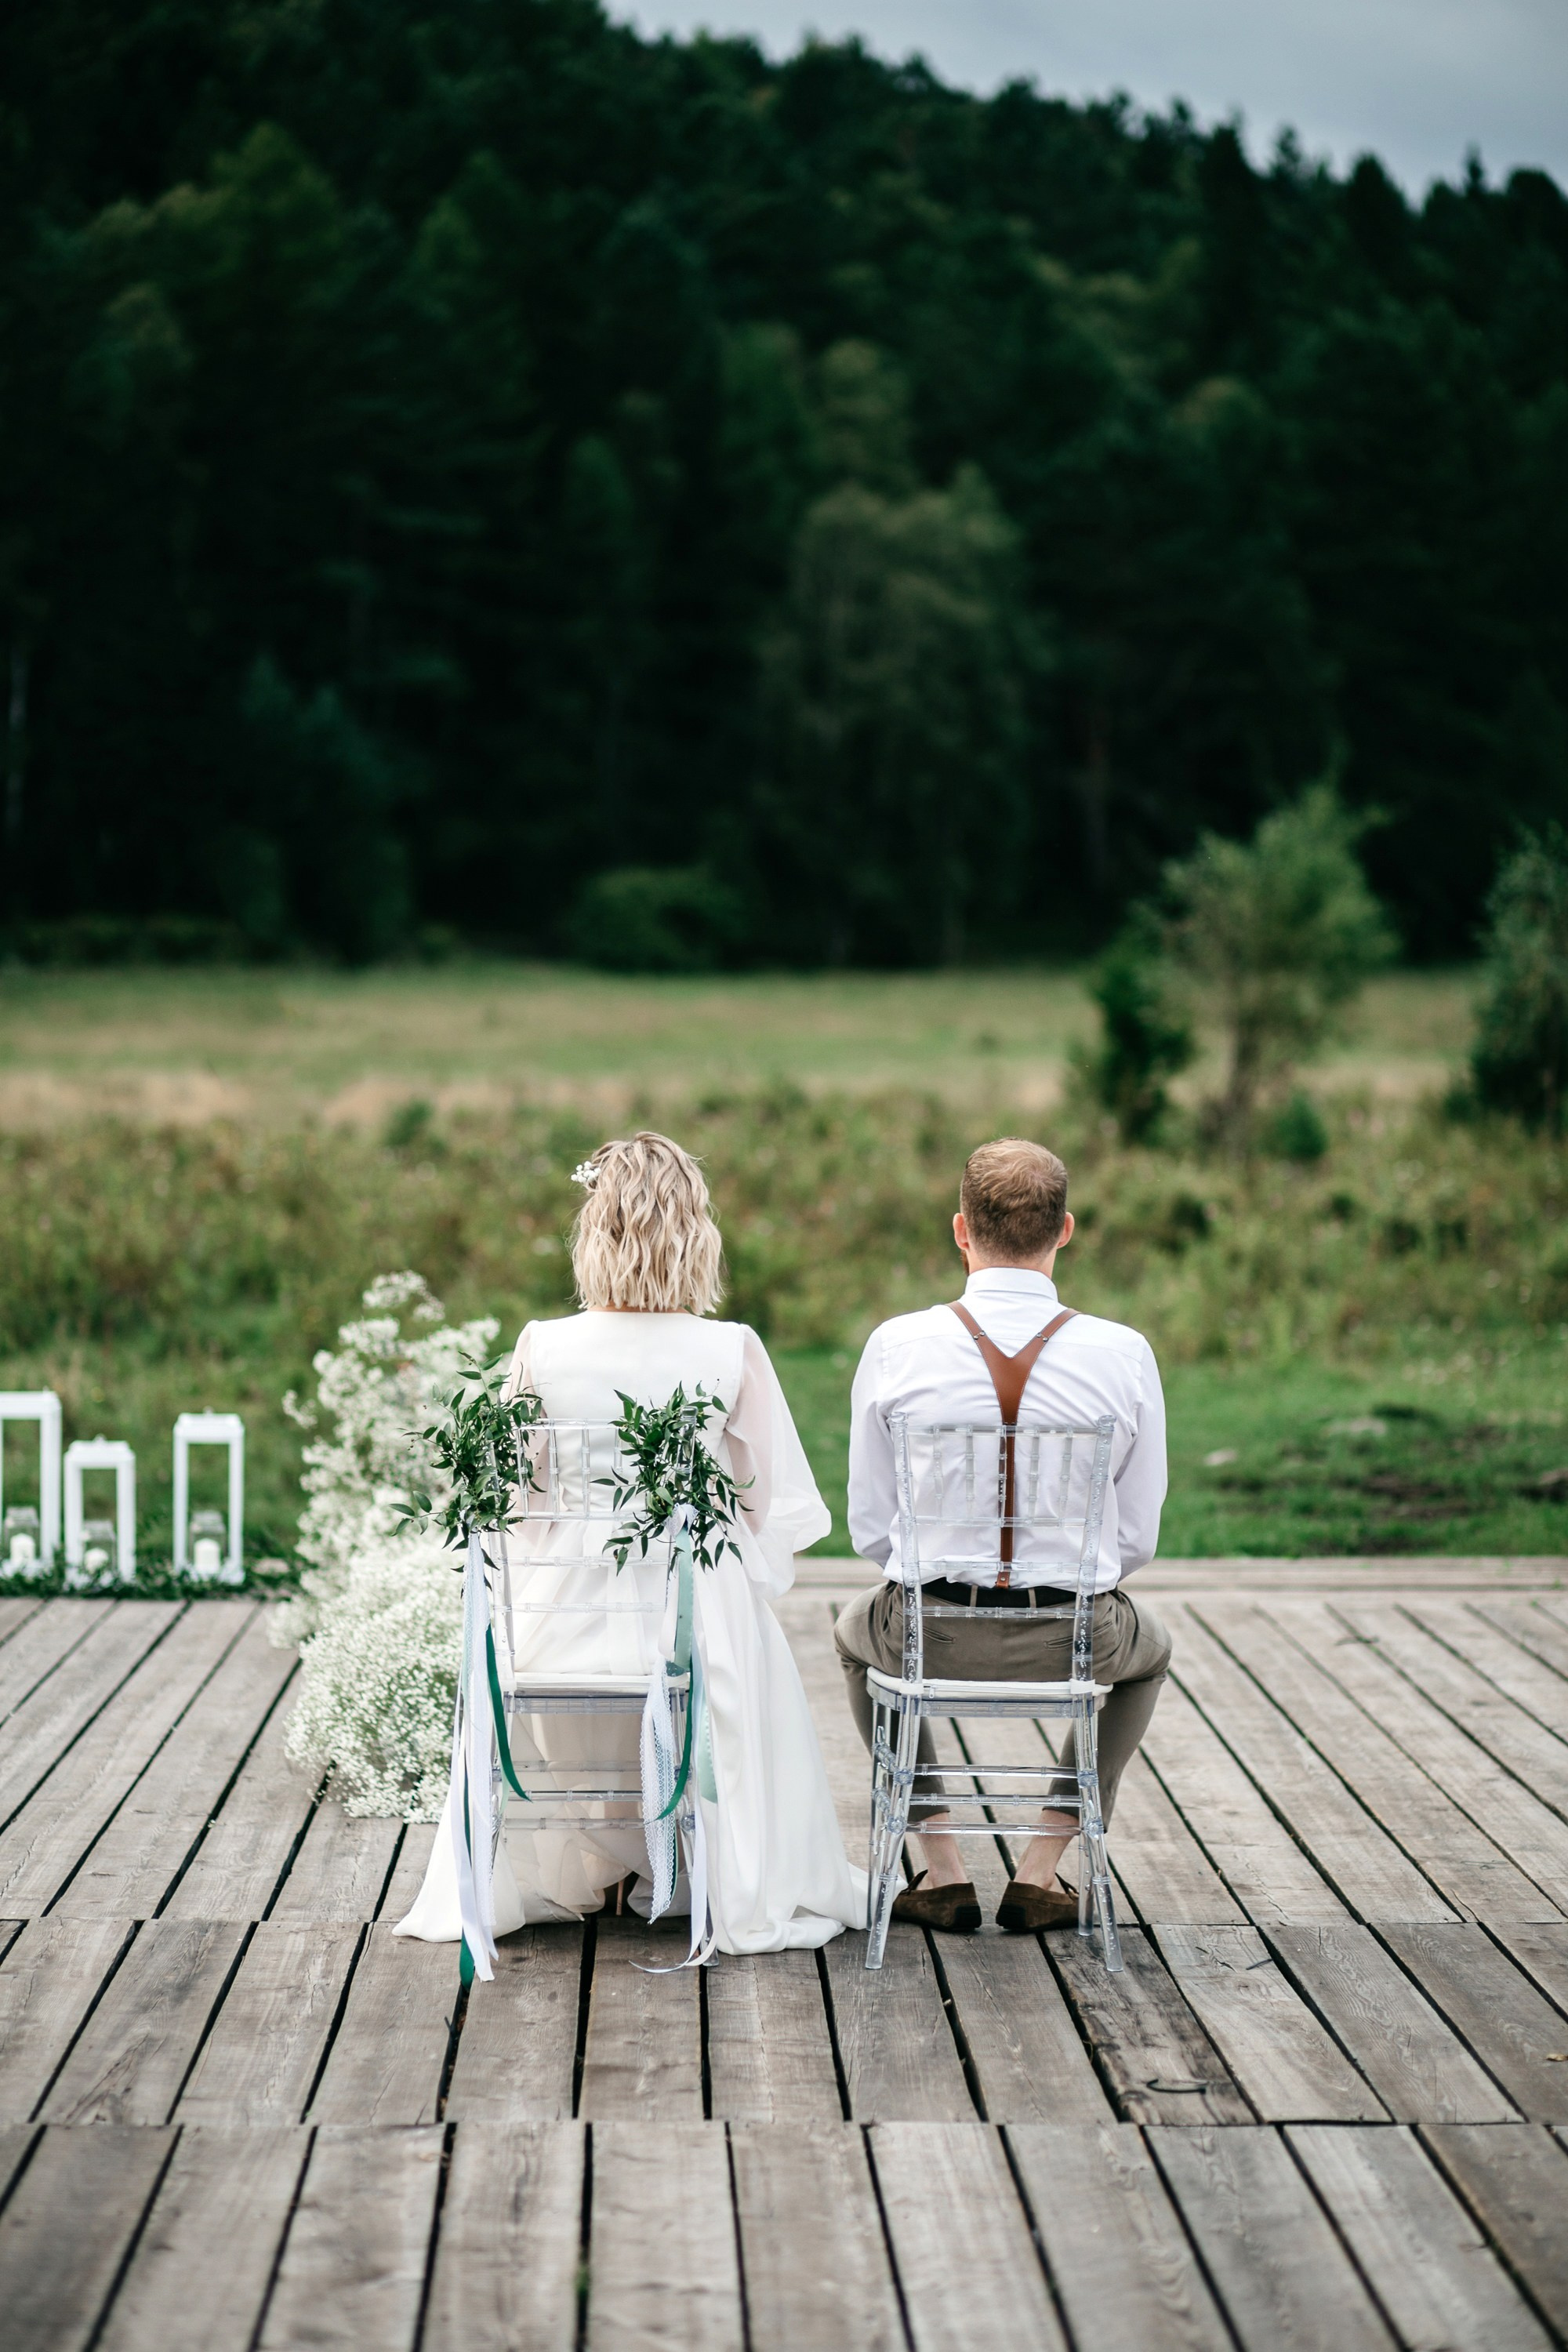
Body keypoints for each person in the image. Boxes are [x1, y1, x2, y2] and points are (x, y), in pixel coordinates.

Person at [395, 1131, 865, 1955]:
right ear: (695, 1232)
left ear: (595, 1232)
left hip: (562, 1612)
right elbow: (765, 1506)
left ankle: (613, 1861)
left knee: (570, 1620)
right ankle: (700, 1861)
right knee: (740, 1630)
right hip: (690, 1615)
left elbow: (518, 1498)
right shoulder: (731, 1350)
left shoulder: (544, 1344)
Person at [835, 1135, 1171, 1934]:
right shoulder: (1122, 1354)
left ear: (960, 1230)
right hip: (1074, 1634)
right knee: (1149, 1656)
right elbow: (1135, 1538)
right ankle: (1042, 1865)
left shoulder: (895, 1345)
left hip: (929, 1630)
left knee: (854, 1639)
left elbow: (870, 1529)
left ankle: (939, 1865)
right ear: (1064, 1231)